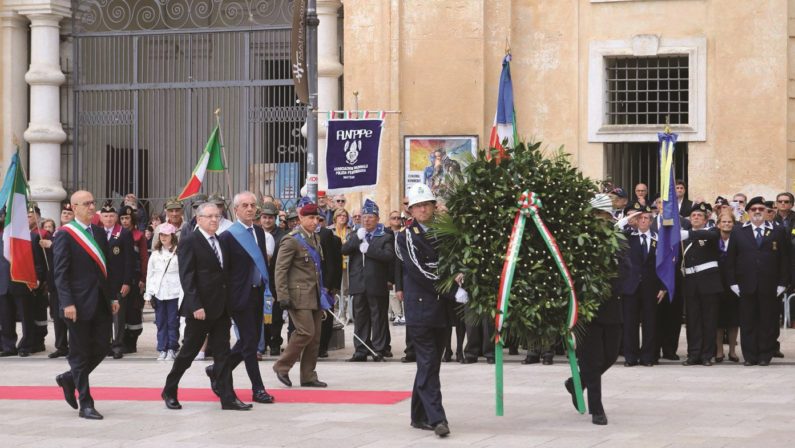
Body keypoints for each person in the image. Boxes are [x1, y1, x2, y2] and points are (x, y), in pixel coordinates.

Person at [161, 202, 252, 411]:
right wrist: (195, 305)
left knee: (222, 354)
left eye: (217, 216)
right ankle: (170, 389)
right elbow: (187, 277)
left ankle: (228, 398)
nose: (214, 220)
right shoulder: (189, 241)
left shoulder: (219, 240)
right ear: (199, 219)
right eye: (209, 216)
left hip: (221, 308)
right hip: (200, 309)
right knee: (188, 353)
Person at [395, 183, 456, 438]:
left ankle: (418, 415)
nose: (422, 209)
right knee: (429, 361)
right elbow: (419, 271)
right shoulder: (406, 235)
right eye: (417, 206)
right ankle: (437, 418)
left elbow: (454, 260)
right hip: (421, 308)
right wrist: (451, 287)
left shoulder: (444, 232)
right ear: (411, 211)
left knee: (430, 364)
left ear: (433, 206)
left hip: (441, 309)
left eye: (426, 204)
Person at [53, 190, 119, 420]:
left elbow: (106, 269)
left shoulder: (99, 233)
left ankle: (69, 378)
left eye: (93, 202)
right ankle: (86, 403)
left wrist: (112, 297)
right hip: (77, 305)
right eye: (86, 204)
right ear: (74, 207)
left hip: (100, 302)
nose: (92, 207)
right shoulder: (65, 234)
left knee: (102, 347)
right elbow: (60, 274)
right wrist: (67, 302)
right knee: (79, 353)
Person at [565, 193, 625, 426]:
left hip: (612, 303)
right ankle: (596, 408)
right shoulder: (579, 240)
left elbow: (625, 265)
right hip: (587, 307)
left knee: (611, 354)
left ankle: (576, 383)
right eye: (601, 215)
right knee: (591, 358)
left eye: (607, 216)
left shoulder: (616, 238)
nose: (605, 220)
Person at [216, 191, 275, 404]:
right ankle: (257, 389)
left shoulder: (259, 233)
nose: (250, 209)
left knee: (248, 341)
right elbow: (225, 271)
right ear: (236, 209)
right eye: (245, 206)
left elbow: (262, 264)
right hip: (239, 296)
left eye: (253, 205)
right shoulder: (227, 236)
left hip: (258, 293)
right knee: (250, 343)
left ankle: (218, 370)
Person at [726, 196, 789, 366]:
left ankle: (764, 355)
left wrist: (783, 283)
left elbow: (785, 259)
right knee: (748, 322)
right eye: (754, 209)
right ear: (748, 212)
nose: (758, 212)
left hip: (770, 286)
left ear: (768, 212)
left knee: (767, 322)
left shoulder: (778, 231)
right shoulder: (739, 231)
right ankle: (750, 356)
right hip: (746, 285)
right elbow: (731, 259)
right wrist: (733, 283)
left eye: (761, 209)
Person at [272, 201, 329, 388]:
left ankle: (308, 375)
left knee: (315, 337)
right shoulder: (292, 240)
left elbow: (317, 269)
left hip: (315, 295)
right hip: (298, 295)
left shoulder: (315, 238)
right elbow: (280, 270)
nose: (315, 222)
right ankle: (282, 365)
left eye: (317, 218)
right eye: (311, 218)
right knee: (306, 332)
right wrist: (282, 296)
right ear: (301, 218)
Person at [342, 199, 394, 361]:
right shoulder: (355, 234)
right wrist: (357, 239)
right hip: (358, 283)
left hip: (377, 284)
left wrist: (370, 249)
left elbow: (388, 256)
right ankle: (361, 350)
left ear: (377, 218)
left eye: (370, 216)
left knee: (378, 318)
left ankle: (378, 349)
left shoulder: (385, 235)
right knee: (360, 319)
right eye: (364, 216)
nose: (367, 219)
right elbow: (344, 250)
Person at [620, 203, 665, 366]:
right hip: (631, 286)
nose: (644, 220)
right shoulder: (627, 236)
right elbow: (615, 230)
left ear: (651, 221)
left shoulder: (657, 238)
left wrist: (663, 287)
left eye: (647, 218)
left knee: (650, 322)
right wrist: (628, 218)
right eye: (640, 218)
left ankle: (647, 356)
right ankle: (630, 357)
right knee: (630, 323)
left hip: (650, 287)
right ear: (636, 221)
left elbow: (663, 265)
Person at [680, 203, 722, 366]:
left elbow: (714, 236)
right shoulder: (684, 237)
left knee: (709, 320)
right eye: (693, 216)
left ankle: (707, 355)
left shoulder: (711, 232)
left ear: (706, 220)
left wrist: (688, 233)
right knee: (693, 320)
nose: (696, 218)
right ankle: (694, 354)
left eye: (699, 216)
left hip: (708, 282)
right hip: (691, 282)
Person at [99, 202, 135, 359]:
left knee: (118, 315)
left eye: (111, 216)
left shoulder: (124, 233)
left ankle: (118, 345)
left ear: (116, 217)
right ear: (101, 217)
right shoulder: (97, 232)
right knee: (104, 314)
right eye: (105, 216)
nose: (108, 218)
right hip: (102, 282)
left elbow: (129, 260)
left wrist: (127, 281)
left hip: (119, 281)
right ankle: (105, 344)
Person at [144, 223, 182, 360]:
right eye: (161, 235)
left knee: (172, 322)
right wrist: (148, 294)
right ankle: (162, 348)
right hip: (159, 292)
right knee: (160, 322)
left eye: (166, 235)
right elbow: (150, 274)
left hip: (174, 292)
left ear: (172, 236)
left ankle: (172, 347)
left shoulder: (178, 252)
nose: (163, 237)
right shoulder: (155, 254)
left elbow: (182, 274)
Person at [119, 205, 149, 354]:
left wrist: (144, 278)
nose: (124, 221)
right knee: (122, 311)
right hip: (121, 278)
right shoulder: (116, 235)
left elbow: (144, 258)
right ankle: (122, 340)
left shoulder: (139, 236)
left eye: (127, 218)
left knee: (134, 310)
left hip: (136, 278)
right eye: (122, 218)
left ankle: (132, 342)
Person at [715, 210, 740, 363]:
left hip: (734, 283)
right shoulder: (713, 239)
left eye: (729, 222)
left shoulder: (738, 239)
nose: (727, 224)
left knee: (733, 319)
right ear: (718, 224)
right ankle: (718, 351)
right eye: (724, 222)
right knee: (718, 319)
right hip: (717, 282)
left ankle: (732, 351)